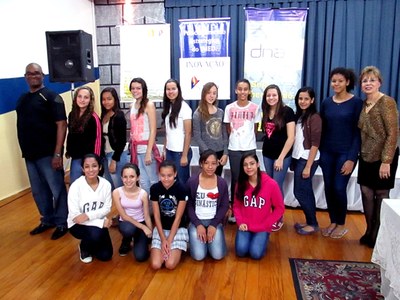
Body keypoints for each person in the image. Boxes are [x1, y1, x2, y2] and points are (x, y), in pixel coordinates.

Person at [16, 62, 68, 240]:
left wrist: (57, 153)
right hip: (30, 155)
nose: (33, 76)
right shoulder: (22, 99)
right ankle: (48, 220)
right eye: (29, 73)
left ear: (42, 75)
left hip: (49, 155)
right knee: (39, 191)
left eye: (36, 73)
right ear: (25, 77)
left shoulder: (52, 97)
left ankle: (62, 223)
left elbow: (62, 125)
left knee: (57, 189)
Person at [358, 66, 399, 248]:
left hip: (384, 158)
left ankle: (378, 235)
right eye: (365, 81)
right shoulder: (363, 104)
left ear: (379, 83)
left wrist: (386, 161)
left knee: (381, 194)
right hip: (366, 155)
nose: (368, 84)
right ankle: (369, 229)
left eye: (372, 80)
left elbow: (393, 133)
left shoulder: (387, 102)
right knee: (366, 193)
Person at [319, 68, 363, 239]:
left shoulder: (356, 103)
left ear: (348, 82)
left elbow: (358, 133)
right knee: (329, 188)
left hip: (346, 153)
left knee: (339, 187)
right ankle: (333, 221)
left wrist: (352, 158)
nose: (336, 84)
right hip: (327, 153)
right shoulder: (327, 103)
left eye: (339, 81)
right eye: (333, 81)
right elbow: (322, 128)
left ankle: (341, 223)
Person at [233, 153, 284, 260]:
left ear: (258, 164)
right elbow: (236, 206)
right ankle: (250, 238)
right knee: (241, 251)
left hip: (262, 227)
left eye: (252, 163)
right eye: (245, 165)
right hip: (245, 226)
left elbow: (279, 208)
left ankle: (262, 239)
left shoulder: (271, 184)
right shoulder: (241, 183)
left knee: (255, 254)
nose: (249, 167)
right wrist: (240, 222)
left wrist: (268, 223)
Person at [223, 79, 261, 223]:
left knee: (251, 180)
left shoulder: (255, 108)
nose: (243, 92)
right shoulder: (229, 108)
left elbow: (255, 129)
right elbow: (228, 129)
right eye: (240, 89)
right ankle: (235, 210)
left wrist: (248, 142)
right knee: (236, 180)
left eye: (245, 89)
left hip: (250, 148)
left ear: (249, 91)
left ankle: (249, 209)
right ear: (235, 90)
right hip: (234, 149)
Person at [261, 84, 295, 231]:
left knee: (276, 186)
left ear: (279, 96)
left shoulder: (287, 111)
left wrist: (281, 158)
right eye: (268, 95)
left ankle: (278, 217)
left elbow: (291, 137)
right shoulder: (265, 111)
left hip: (282, 156)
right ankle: (271, 214)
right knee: (270, 186)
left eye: (274, 95)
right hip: (267, 154)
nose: (271, 98)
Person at [67, 154, 113, 263]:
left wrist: (88, 215)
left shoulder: (106, 184)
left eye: (94, 166)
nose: (91, 170)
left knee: (106, 256)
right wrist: (100, 223)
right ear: (82, 169)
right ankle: (84, 247)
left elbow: (107, 208)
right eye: (87, 167)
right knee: (95, 233)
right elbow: (76, 217)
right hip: (77, 225)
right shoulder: (76, 186)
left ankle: (92, 241)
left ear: (100, 167)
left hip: (97, 223)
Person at [186, 150, 229, 261]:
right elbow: (189, 205)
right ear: (201, 164)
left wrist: (214, 224)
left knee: (217, 255)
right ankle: (200, 241)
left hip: (214, 221)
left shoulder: (222, 182)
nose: (210, 167)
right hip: (197, 222)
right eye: (206, 163)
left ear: (217, 164)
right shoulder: (192, 181)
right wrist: (197, 224)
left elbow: (224, 206)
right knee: (199, 256)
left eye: (213, 163)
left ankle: (213, 241)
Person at [291, 87, 322, 235]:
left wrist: (308, 166)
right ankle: (310, 221)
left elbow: (315, 144)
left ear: (312, 100)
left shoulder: (314, 117)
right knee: (303, 190)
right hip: (299, 157)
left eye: (306, 99)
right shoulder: (300, 116)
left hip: (308, 159)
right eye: (300, 98)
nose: (302, 102)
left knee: (302, 191)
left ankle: (313, 223)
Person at [149, 160, 189, 270]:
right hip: (161, 228)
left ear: (175, 174)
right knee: (156, 265)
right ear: (159, 174)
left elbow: (178, 217)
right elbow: (156, 216)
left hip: (176, 229)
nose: (166, 179)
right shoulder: (154, 189)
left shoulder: (182, 189)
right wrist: (163, 240)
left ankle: (177, 248)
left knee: (169, 264)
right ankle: (159, 248)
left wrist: (169, 240)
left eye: (169, 175)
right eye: (163, 175)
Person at [112, 163, 153, 261]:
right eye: (125, 177)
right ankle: (126, 240)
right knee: (128, 229)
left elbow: (147, 216)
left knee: (141, 257)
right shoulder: (117, 192)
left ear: (138, 177)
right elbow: (124, 215)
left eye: (132, 176)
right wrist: (143, 227)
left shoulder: (143, 194)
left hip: (140, 221)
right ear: (121, 178)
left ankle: (137, 239)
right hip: (126, 223)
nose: (128, 180)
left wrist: (150, 233)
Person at [66, 86, 103, 185]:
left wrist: (95, 161)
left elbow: (98, 141)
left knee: (89, 185)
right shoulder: (72, 115)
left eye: (86, 97)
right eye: (80, 96)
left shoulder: (94, 118)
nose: (82, 100)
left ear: (90, 100)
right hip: (76, 158)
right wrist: (69, 150)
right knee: (75, 185)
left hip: (89, 159)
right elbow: (70, 135)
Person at [129, 78, 160, 194]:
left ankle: (156, 208)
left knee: (153, 179)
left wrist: (148, 152)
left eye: (138, 88)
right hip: (136, 149)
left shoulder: (149, 105)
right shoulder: (132, 105)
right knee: (142, 180)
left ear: (143, 90)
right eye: (133, 88)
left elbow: (153, 130)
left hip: (147, 148)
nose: (135, 91)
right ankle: (147, 207)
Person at [192, 82, 228, 176]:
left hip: (220, 152)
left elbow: (224, 134)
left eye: (214, 93)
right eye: (209, 93)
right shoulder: (198, 114)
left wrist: (225, 153)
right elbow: (197, 137)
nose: (211, 96)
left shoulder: (221, 112)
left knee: (218, 178)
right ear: (204, 94)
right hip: (206, 153)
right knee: (207, 178)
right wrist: (209, 155)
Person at [161, 79, 192, 185]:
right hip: (170, 151)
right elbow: (167, 132)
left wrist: (184, 155)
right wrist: (164, 150)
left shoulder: (185, 108)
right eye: (168, 89)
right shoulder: (168, 107)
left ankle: (186, 202)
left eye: (173, 89)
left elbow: (188, 133)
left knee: (182, 182)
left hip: (180, 152)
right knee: (171, 181)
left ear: (178, 90)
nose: (171, 91)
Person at [100, 87, 128, 189]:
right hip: (105, 154)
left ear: (115, 100)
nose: (106, 102)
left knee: (119, 187)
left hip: (116, 155)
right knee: (109, 186)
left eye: (109, 99)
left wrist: (114, 160)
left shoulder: (119, 116)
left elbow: (122, 141)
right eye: (103, 99)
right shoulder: (104, 114)